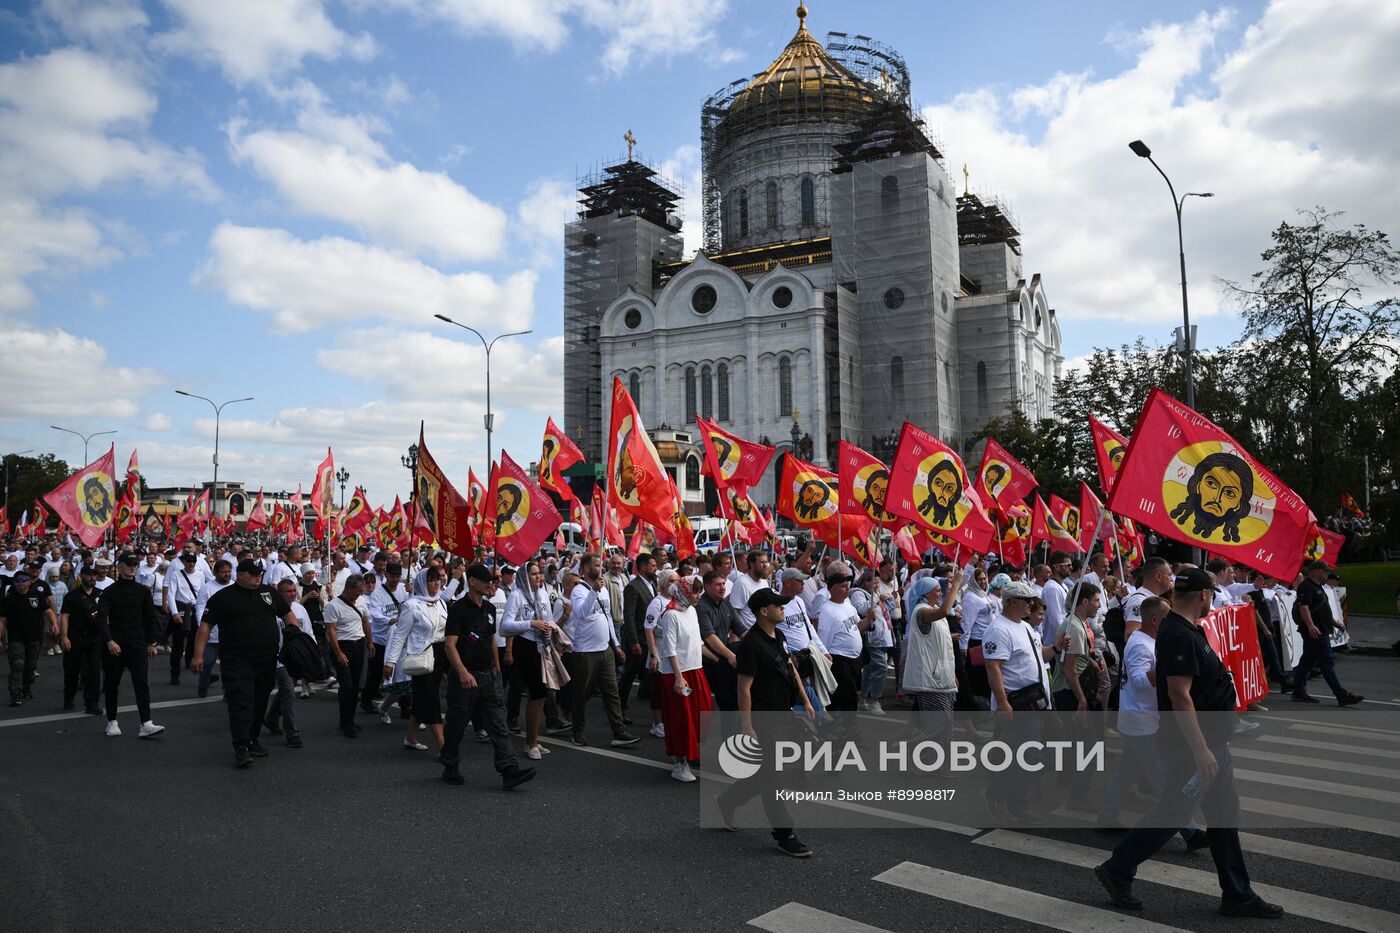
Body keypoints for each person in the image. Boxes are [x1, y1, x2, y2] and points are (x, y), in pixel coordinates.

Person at [1095, 567, 1284, 918]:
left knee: (1224, 815)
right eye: (1211, 593)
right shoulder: (1180, 635)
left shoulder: (1185, 630)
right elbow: (1179, 695)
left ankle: (1237, 894)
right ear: (1203, 595)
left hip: (1211, 743)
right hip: (1192, 747)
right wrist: (1200, 749)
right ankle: (1118, 869)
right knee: (1173, 813)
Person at [1097, 595, 1207, 848]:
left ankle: (1106, 815)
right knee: (1163, 779)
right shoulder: (1139, 644)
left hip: (1141, 720)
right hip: (1141, 722)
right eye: (1168, 618)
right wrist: (1167, 666)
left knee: (1127, 771)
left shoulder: (1150, 640)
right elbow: (1138, 681)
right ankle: (1189, 831)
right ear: (1156, 620)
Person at [715, 587, 816, 857]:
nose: (783, 608)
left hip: (782, 714)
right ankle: (785, 834)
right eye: (778, 605)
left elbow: (790, 667)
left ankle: (728, 800)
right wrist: (747, 727)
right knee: (773, 779)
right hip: (762, 720)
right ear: (763, 611)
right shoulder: (751, 645)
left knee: (766, 775)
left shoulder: (778, 635)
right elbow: (743, 689)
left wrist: (805, 699)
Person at [194, 559, 299, 768]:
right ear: (239, 574)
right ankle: (241, 747)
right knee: (241, 702)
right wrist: (198, 655)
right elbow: (205, 626)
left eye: (259, 573)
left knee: (260, 702)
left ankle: (253, 739)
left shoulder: (269, 593)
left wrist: (294, 634)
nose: (257, 576)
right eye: (252, 573)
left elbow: (288, 615)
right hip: (236, 660)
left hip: (267, 659)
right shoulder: (222, 598)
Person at [440, 563, 536, 789]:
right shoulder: (458, 609)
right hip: (465, 678)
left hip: (488, 676)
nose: (490, 584)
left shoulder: (490, 609)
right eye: (485, 580)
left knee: (498, 724)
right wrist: (462, 672)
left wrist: (497, 667)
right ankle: (450, 764)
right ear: (472, 581)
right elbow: (449, 645)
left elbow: (491, 639)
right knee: (457, 725)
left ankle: (509, 770)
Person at [982, 580, 1054, 822]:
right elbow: (993, 667)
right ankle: (996, 792)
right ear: (1013, 602)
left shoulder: (1024, 627)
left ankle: (1017, 805)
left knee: (1027, 757)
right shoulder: (999, 629)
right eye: (1028, 602)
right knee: (1028, 756)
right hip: (1019, 704)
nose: (1031, 606)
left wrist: (1055, 647)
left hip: (1037, 702)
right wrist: (1002, 703)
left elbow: (1037, 655)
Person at [565, 553, 638, 747]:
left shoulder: (603, 589)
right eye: (597, 565)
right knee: (582, 693)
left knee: (611, 692)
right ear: (586, 569)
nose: (602, 568)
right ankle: (577, 730)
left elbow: (607, 617)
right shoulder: (579, 590)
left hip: (605, 650)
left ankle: (619, 731)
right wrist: (593, 592)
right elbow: (581, 613)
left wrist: (615, 644)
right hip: (585, 651)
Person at [95, 554, 165, 738]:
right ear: (120, 566)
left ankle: (146, 723)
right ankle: (111, 721)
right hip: (115, 643)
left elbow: (150, 617)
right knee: (112, 683)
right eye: (129, 564)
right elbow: (101, 619)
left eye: (135, 564)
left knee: (141, 683)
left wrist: (152, 642)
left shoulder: (142, 591)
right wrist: (109, 640)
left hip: (137, 642)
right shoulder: (109, 592)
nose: (133, 567)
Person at [384, 566, 449, 755]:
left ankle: (410, 737)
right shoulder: (411, 606)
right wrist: (390, 662)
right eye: (431, 579)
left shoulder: (441, 603)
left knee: (422, 698)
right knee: (431, 700)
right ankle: (444, 746)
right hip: (421, 657)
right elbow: (399, 636)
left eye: (438, 579)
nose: (436, 583)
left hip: (439, 655)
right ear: (422, 582)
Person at [654, 570, 712, 782]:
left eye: (699, 592)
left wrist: (720, 658)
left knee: (701, 716)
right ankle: (679, 763)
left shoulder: (691, 611)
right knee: (680, 720)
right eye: (695, 592)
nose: (698, 596)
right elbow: (669, 650)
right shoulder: (670, 615)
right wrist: (678, 677)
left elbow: (697, 643)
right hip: (678, 673)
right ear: (684, 592)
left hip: (695, 669)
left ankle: (690, 755)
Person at [1291, 560, 1363, 706]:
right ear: (1316, 571)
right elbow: (1303, 607)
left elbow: (1321, 608)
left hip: (1320, 629)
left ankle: (1298, 691)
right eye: (1325, 571)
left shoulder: (1318, 587)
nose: (1326, 574)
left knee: (1307, 661)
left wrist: (1335, 623)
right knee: (1326, 662)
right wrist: (1311, 625)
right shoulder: (1306, 586)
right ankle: (1342, 695)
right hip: (1315, 631)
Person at [902, 569, 961, 743]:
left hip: (943, 676)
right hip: (929, 678)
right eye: (937, 590)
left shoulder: (932, 609)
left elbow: (938, 641)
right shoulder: (922, 611)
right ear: (925, 594)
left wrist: (952, 673)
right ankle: (907, 746)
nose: (941, 593)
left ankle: (933, 763)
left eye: (941, 590)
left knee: (947, 725)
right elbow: (945, 611)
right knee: (940, 723)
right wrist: (956, 583)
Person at [263, 578, 314, 748]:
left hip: (295, 658)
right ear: (279, 593)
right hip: (278, 659)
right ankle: (292, 733)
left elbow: (308, 632)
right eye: (288, 591)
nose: (292, 594)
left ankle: (271, 718)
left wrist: (310, 652)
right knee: (289, 692)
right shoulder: (271, 610)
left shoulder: (300, 609)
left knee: (286, 691)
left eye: (294, 591)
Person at [324, 573, 372, 737]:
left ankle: (348, 720)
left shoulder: (361, 601)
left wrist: (370, 642)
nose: (361, 593)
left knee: (356, 686)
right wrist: (338, 653)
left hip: (359, 645)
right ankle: (346, 723)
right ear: (349, 588)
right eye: (359, 590)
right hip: (343, 646)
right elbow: (331, 630)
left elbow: (365, 621)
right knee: (347, 686)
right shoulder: (334, 606)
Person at [1, 569, 57, 706]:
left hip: (34, 636)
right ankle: (15, 692)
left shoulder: (36, 595)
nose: (21, 583)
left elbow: (48, 610)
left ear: (29, 582)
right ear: (14, 583)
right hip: (16, 637)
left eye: (23, 580)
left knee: (31, 665)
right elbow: (2, 620)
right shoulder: (8, 600)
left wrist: (54, 624)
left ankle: (26, 687)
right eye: (18, 581)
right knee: (17, 664)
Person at [59, 565, 104, 714]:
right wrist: (64, 636)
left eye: (94, 575)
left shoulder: (101, 595)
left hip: (95, 638)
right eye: (89, 575)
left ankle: (92, 703)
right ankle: (69, 697)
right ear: (81, 576)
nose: (92, 578)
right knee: (72, 671)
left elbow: (107, 617)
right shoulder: (72, 596)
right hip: (75, 637)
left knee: (94, 672)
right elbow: (65, 616)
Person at [365, 562, 407, 720]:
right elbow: (375, 614)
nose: (395, 579)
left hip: (399, 639)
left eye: (397, 576)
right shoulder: (378, 593)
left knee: (403, 673)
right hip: (381, 638)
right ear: (386, 575)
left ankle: (405, 706)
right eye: (392, 576)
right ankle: (367, 699)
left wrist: (411, 592)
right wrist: (390, 620)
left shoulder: (404, 589)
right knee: (377, 672)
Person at [619, 552, 657, 720]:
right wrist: (634, 641)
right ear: (642, 567)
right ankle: (619, 708)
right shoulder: (633, 587)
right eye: (653, 566)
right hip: (638, 640)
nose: (655, 568)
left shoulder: (653, 583)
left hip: (650, 639)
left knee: (650, 674)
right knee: (629, 675)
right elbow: (629, 616)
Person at [163, 552, 203, 685]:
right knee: (178, 646)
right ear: (184, 562)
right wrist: (174, 613)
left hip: (195, 611)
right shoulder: (176, 574)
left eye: (193, 561)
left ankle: (192, 665)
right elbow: (171, 594)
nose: (191, 564)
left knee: (194, 642)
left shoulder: (200, 574)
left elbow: (202, 593)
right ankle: (175, 673)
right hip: (180, 611)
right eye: (188, 561)